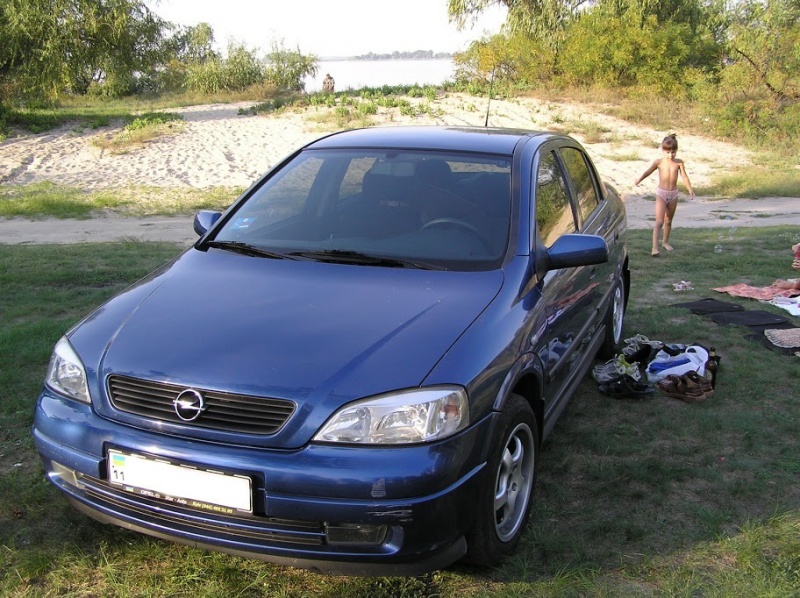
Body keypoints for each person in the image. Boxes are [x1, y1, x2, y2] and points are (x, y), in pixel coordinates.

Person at [634, 134, 696, 256]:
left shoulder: (679, 163)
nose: (671, 155)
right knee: (659, 221)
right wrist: (639, 180)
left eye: (673, 152)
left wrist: (690, 189)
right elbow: (648, 172)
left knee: (668, 220)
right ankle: (654, 248)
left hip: (673, 194)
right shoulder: (658, 162)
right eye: (668, 152)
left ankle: (665, 242)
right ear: (663, 150)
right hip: (661, 194)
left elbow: (684, 176)